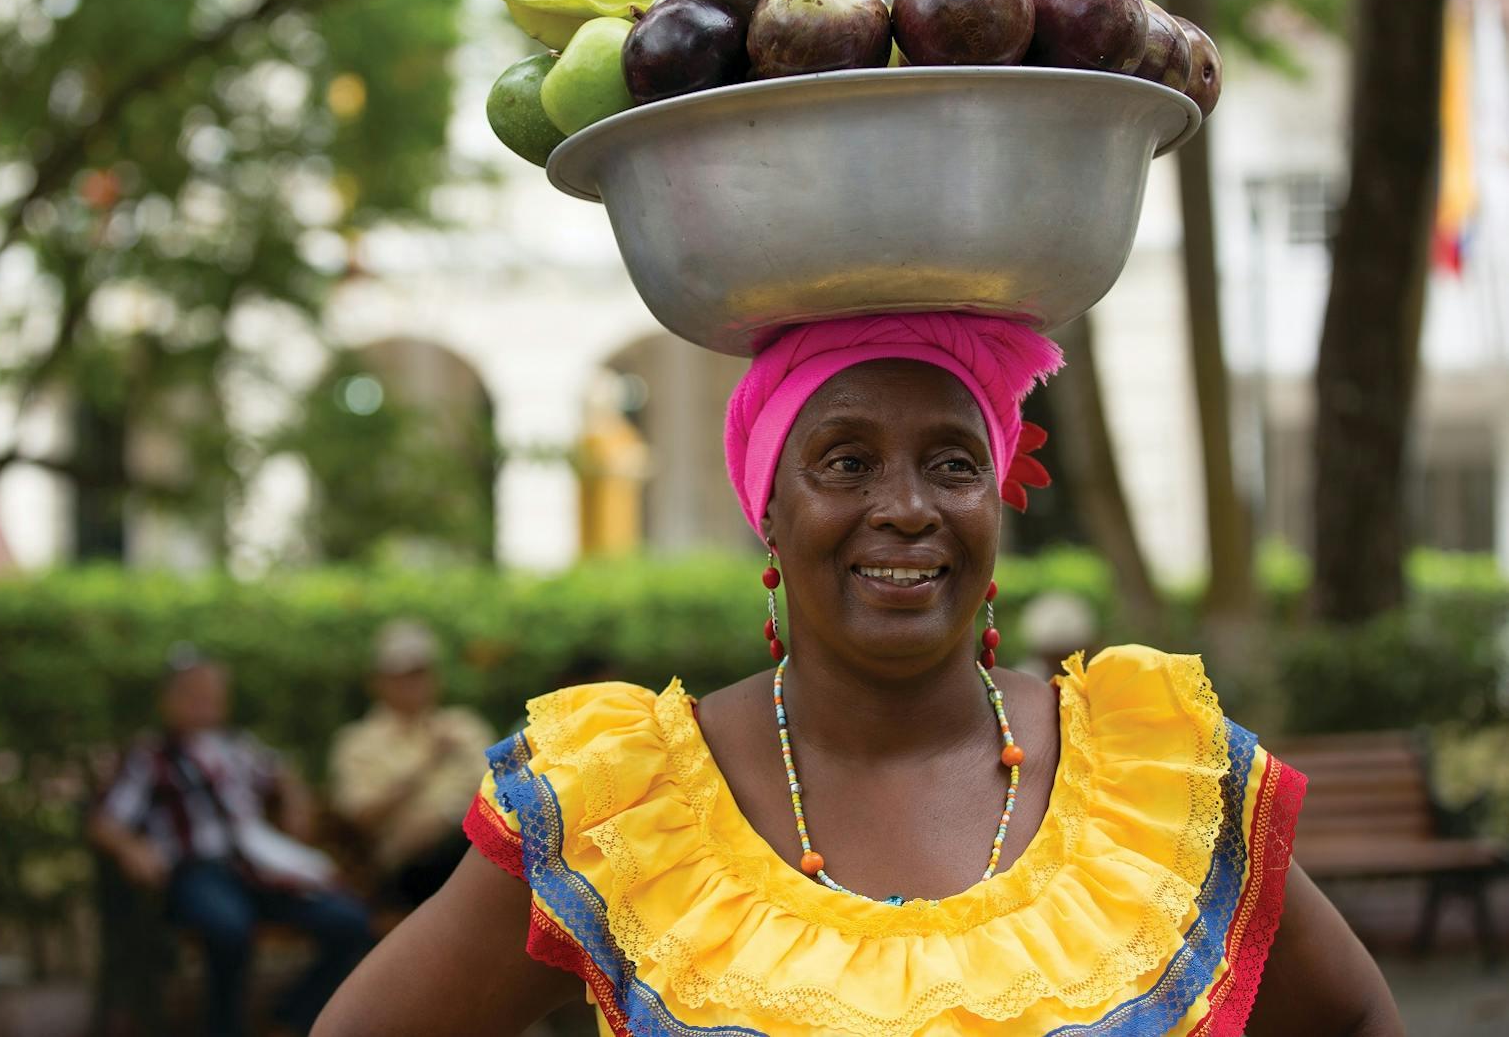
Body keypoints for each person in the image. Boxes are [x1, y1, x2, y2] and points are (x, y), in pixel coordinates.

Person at [313, 314, 1402, 1035]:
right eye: (844, 460)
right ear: (769, 510)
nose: (906, 505)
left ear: (993, 505)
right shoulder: (626, 802)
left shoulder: (1151, 772)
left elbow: (1351, 1018)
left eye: (951, 461)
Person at [89, 651, 374, 1037]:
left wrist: (294, 801)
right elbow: (107, 821)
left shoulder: (239, 747)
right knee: (228, 928)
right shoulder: (151, 755)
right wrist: (132, 849)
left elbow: (283, 776)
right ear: (168, 699)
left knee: (350, 921)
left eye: (214, 691)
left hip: (259, 869)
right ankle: (225, 1028)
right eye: (194, 692)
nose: (206, 700)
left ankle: (289, 1018)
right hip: (196, 871)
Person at [326, 619, 496, 916]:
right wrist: (427, 765)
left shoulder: (464, 726)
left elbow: (506, 788)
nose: (413, 684)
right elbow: (362, 819)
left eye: (420, 673)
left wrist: (448, 818)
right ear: (378, 681)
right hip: (407, 867)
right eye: (401, 675)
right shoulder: (358, 742)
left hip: (477, 849)